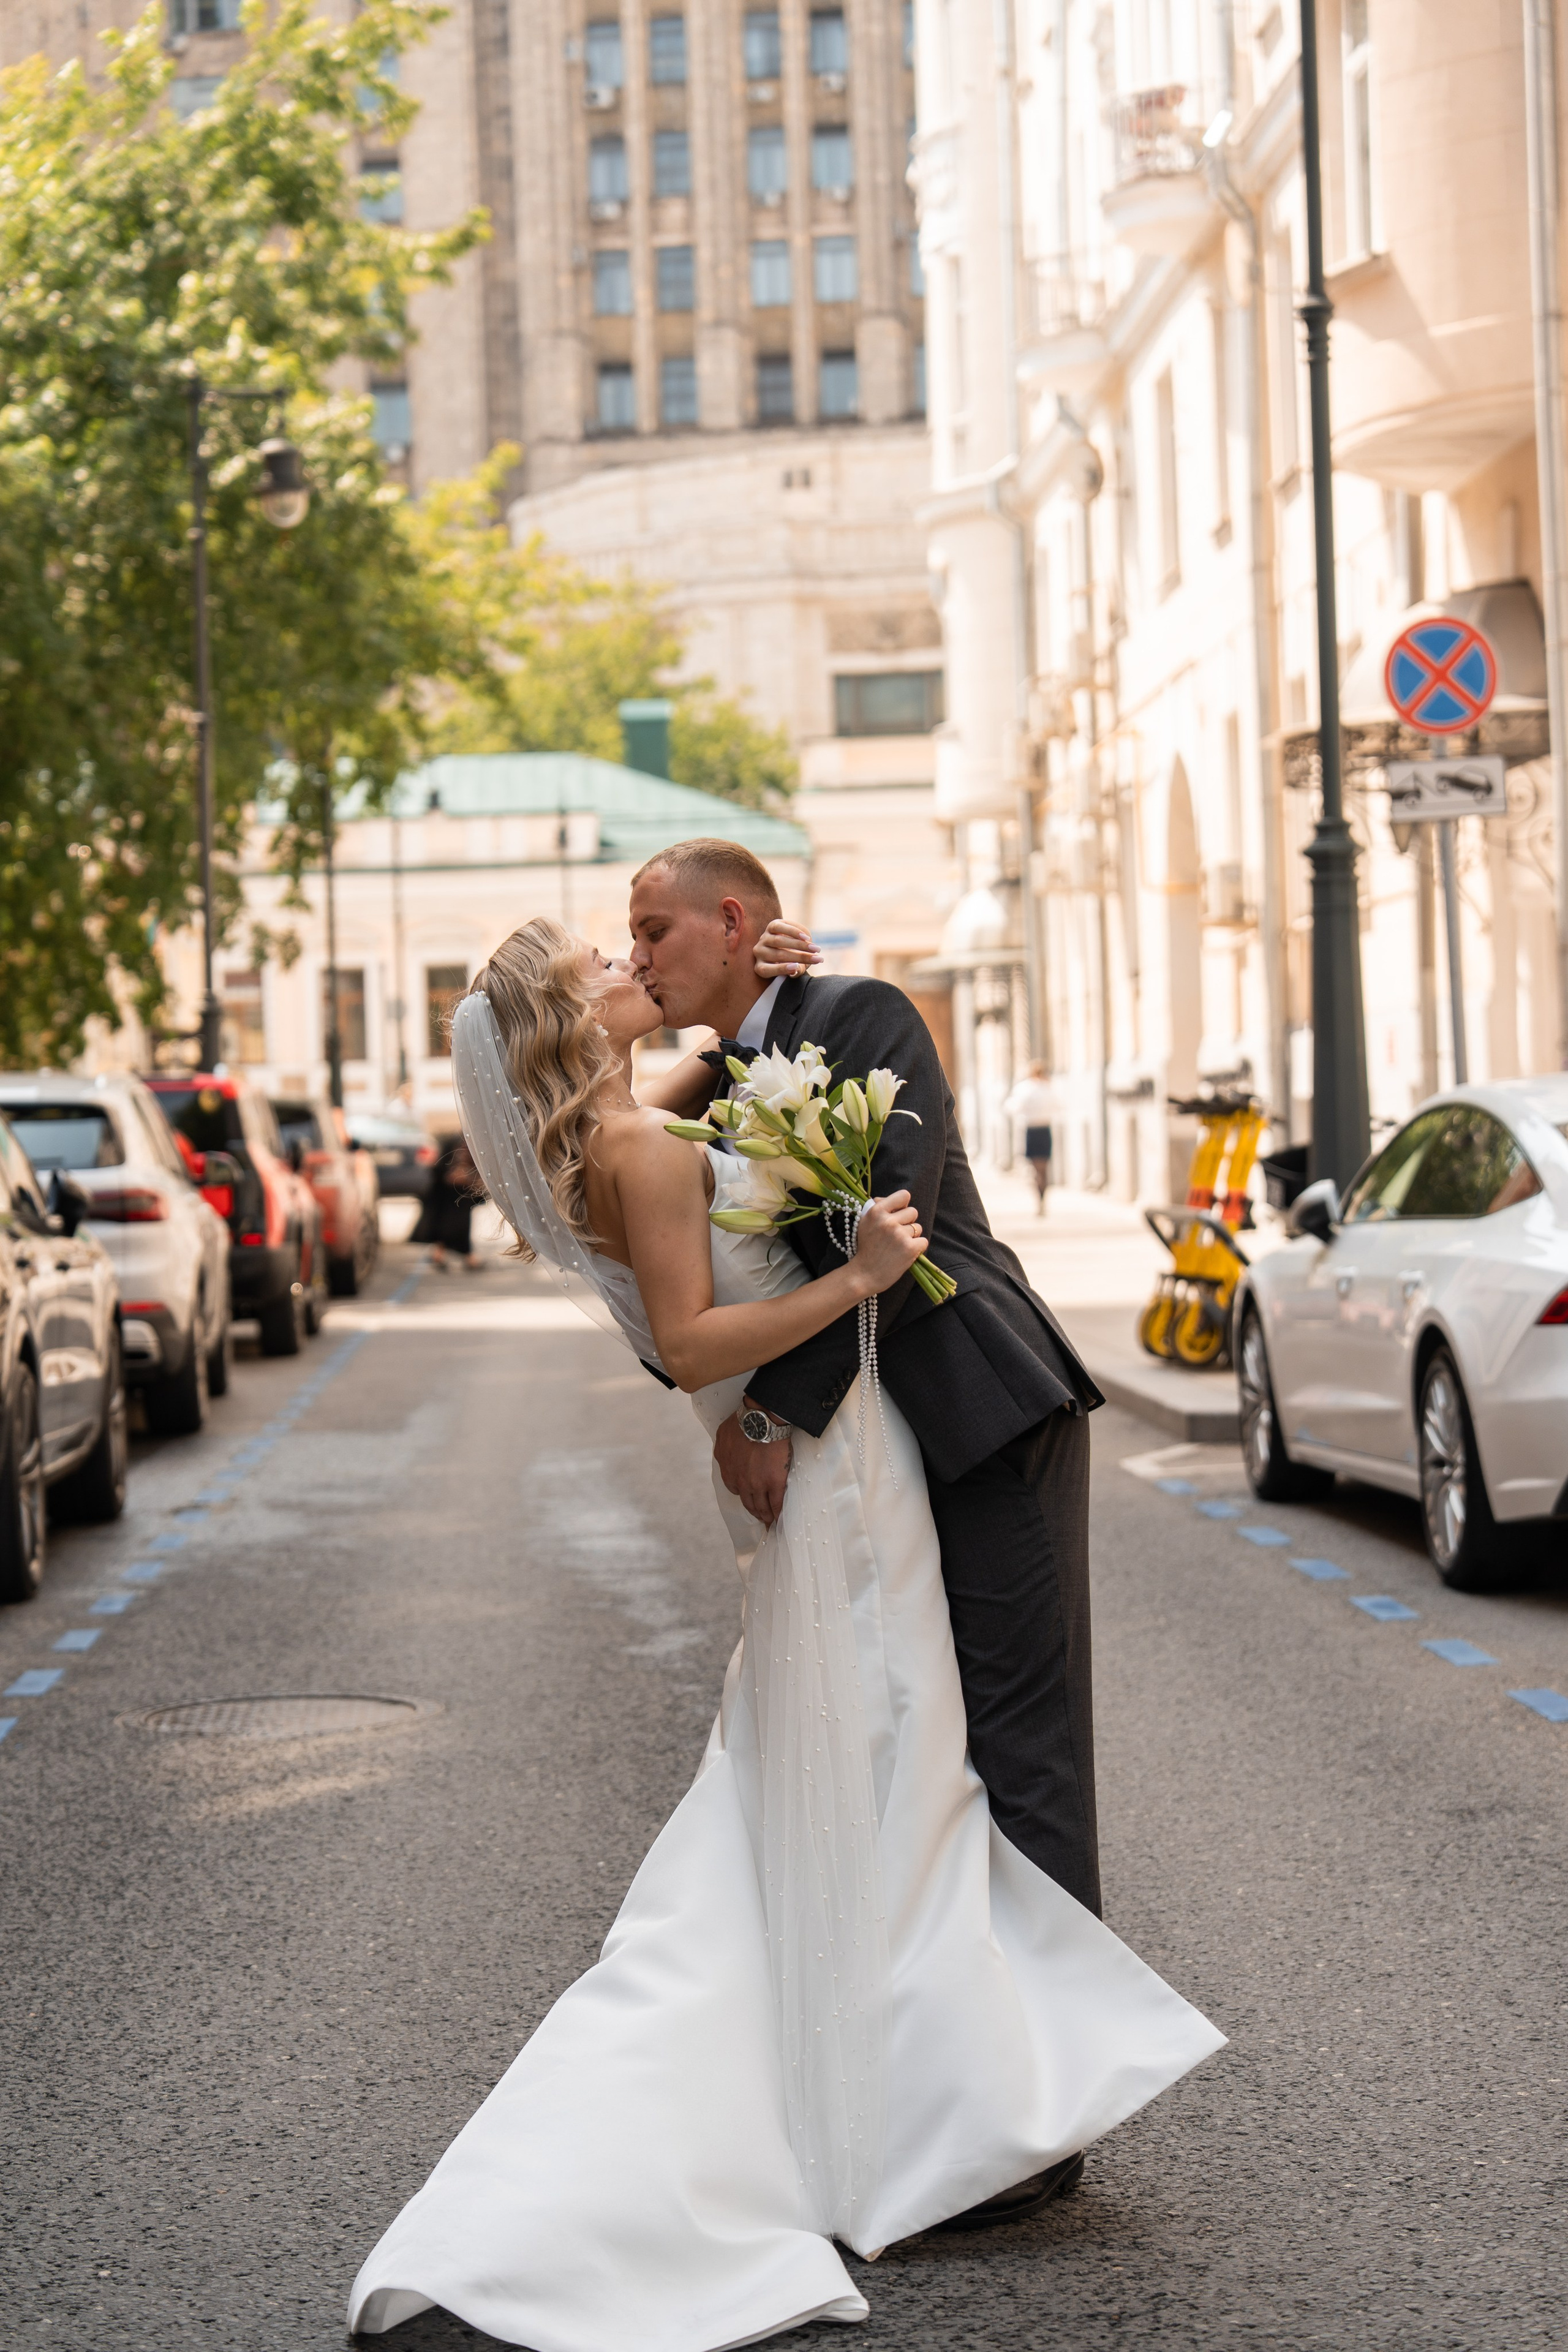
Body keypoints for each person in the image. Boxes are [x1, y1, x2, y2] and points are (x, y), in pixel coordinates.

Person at [347, 895, 1223, 2346]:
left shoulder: (628, 1121)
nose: (625, 968)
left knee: (854, 1786)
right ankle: (937, 2111)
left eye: (633, 944)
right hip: (826, 1482)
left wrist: (774, 995)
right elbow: (692, 1339)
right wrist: (855, 1279)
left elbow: (736, 1078)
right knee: (890, 1769)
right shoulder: (631, 1144)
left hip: (835, 1472)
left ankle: (909, 2098)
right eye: (598, 967)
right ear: (564, 1025)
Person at [412, 1134, 483, 1270]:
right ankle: (465, 1257)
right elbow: (444, 1168)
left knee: (452, 1222)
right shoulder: (458, 1142)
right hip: (450, 1190)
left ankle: (442, 1255)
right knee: (454, 1223)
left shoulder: (463, 1140)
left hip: (460, 1191)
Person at [1004, 1060, 1057, 1214]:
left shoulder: (1026, 1088)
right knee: (1044, 1168)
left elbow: (1011, 1107)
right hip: (1045, 1129)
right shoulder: (1048, 1088)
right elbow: (1059, 1106)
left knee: (1036, 1168)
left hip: (1032, 1130)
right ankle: (1043, 1199)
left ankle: (1039, 1200)